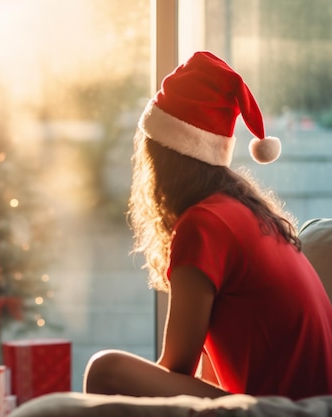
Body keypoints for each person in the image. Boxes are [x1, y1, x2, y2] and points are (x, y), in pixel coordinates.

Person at [84, 51, 332, 400]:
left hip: (282, 409)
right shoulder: (243, 212)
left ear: (160, 157)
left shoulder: (203, 224)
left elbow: (177, 369)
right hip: (302, 402)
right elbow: (209, 376)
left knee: (106, 371)